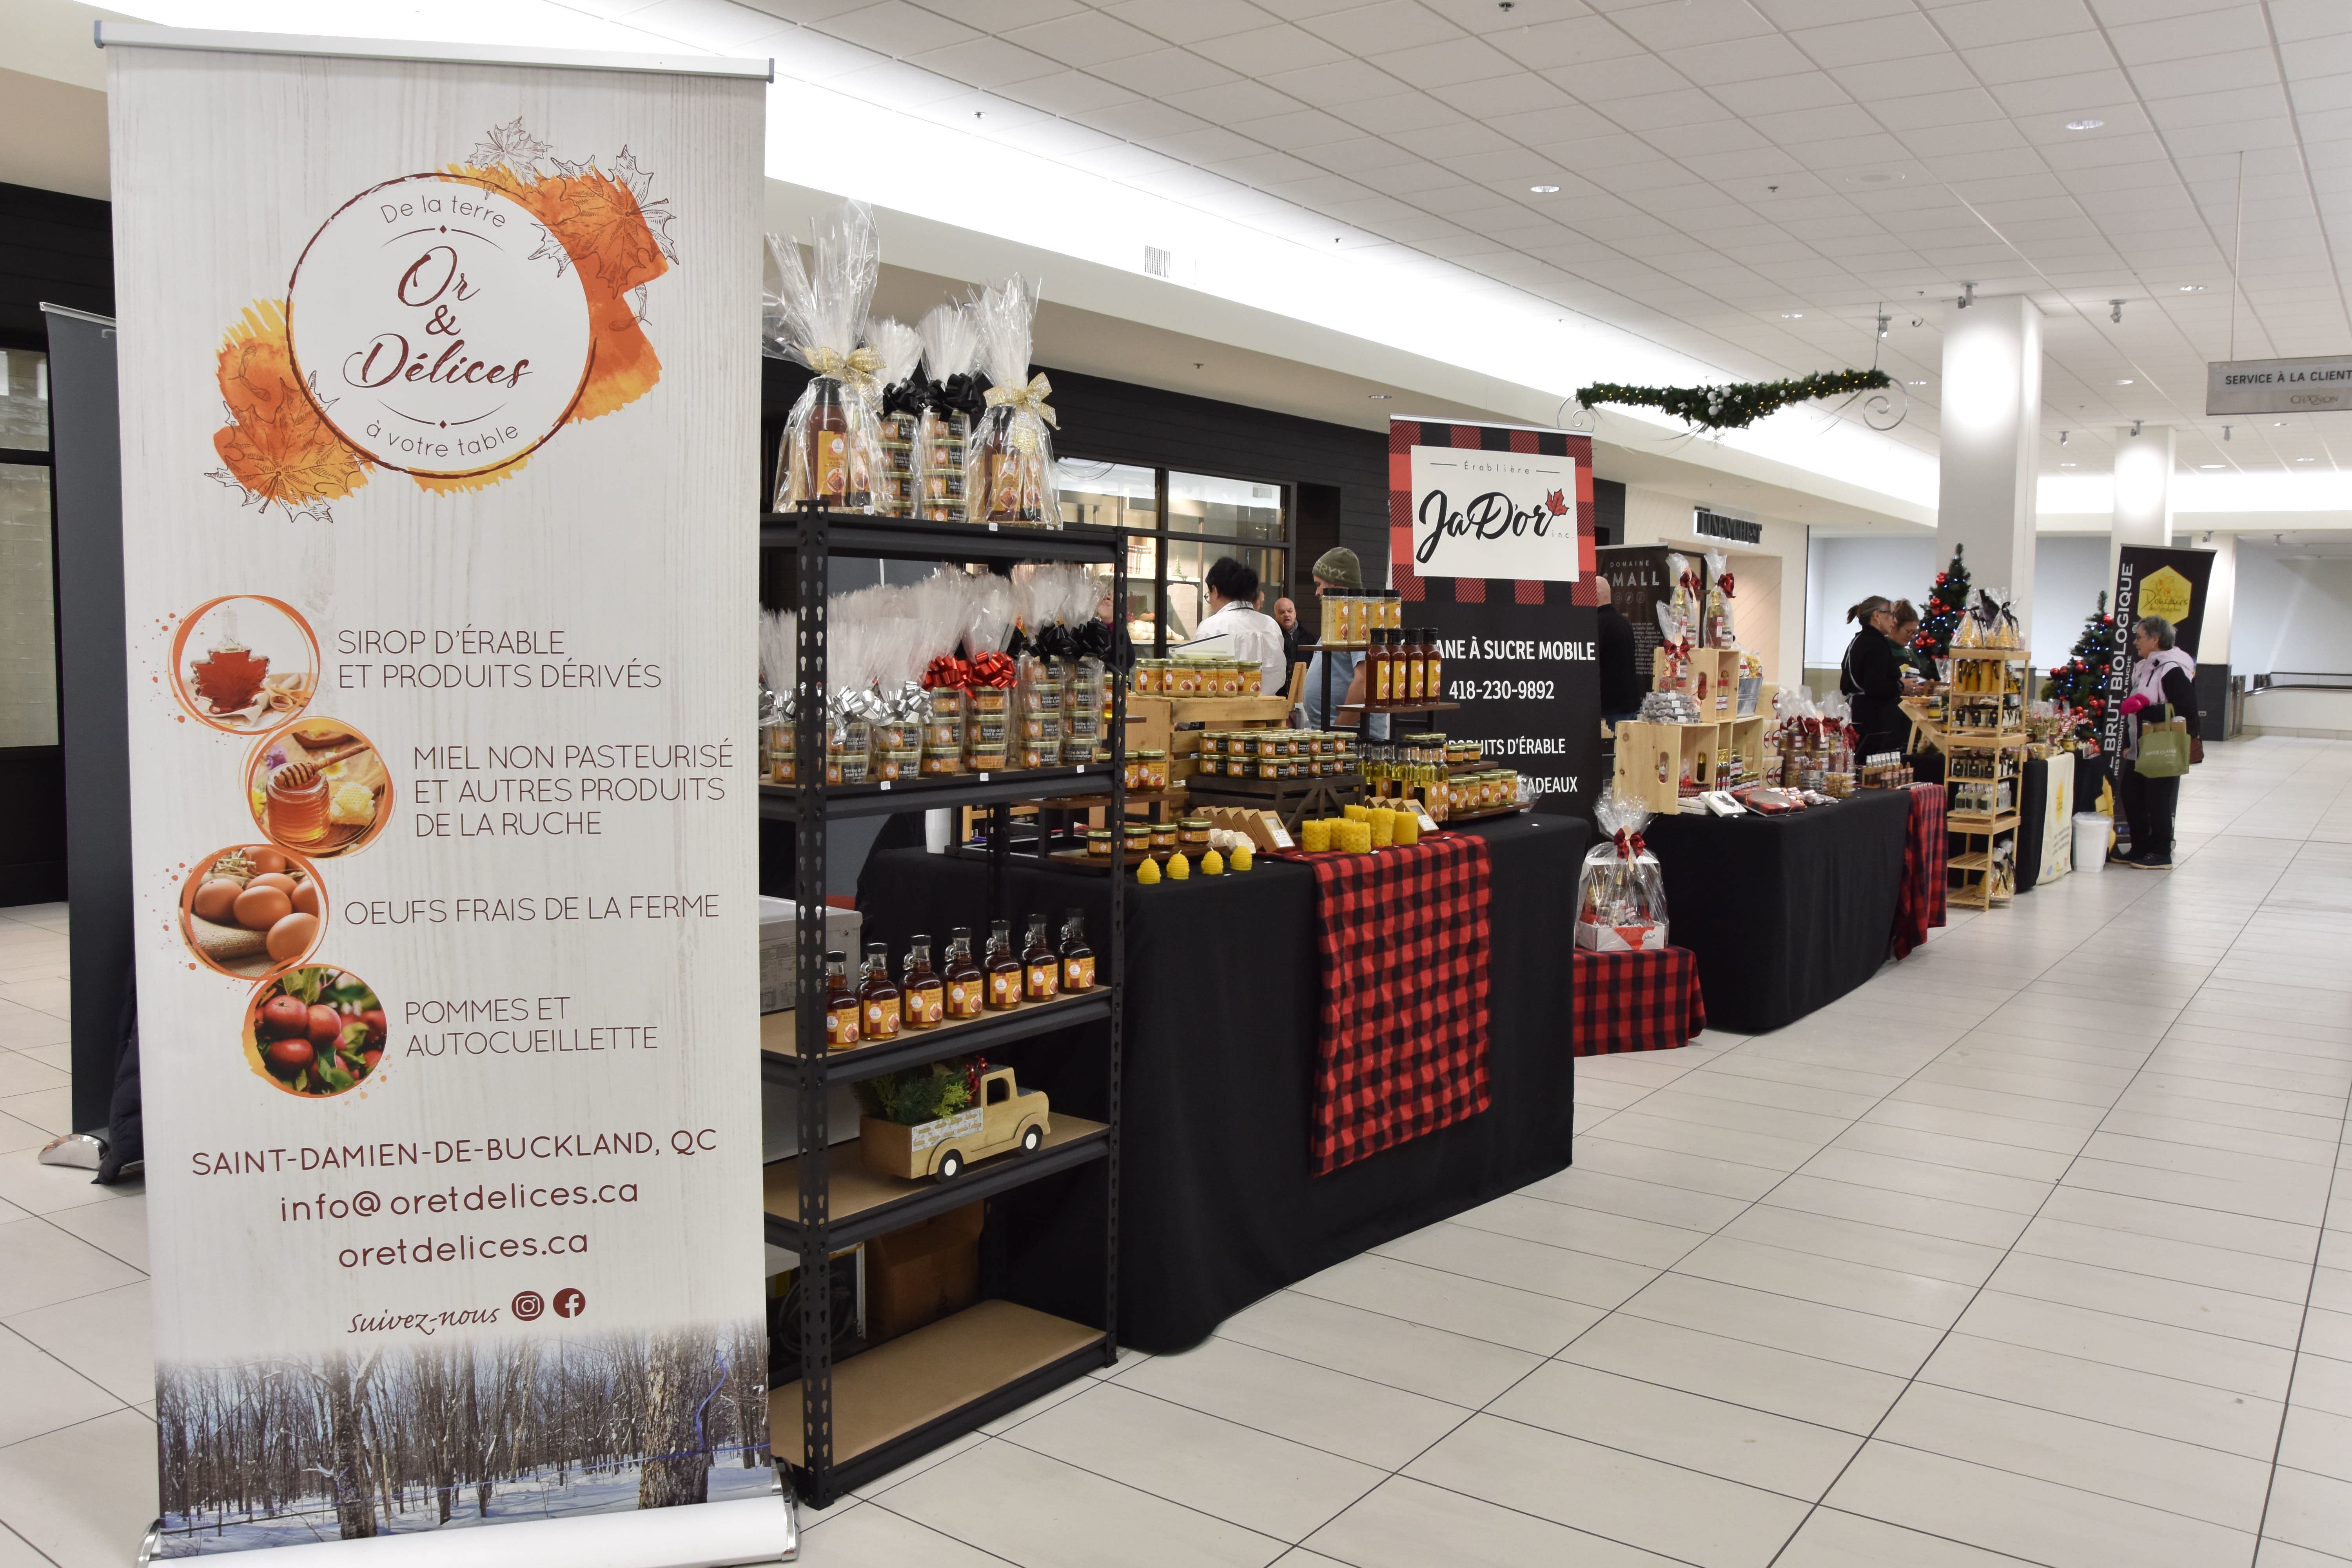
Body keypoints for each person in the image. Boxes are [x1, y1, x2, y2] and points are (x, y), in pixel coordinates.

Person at [2114, 615, 2200, 869]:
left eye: (2140, 638)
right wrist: (2129, 743)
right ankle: (2141, 847)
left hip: (2163, 745)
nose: (2135, 643)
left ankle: (2162, 851)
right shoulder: (2147, 667)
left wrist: (2145, 709)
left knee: (2158, 800)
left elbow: (2185, 709)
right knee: (2132, 795)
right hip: (2140, 747)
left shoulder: (2172, 669)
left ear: (2155, 639)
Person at [1190, 556, 1287, 693]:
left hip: (1221, 711)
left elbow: (1197, 679)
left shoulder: (1210, 627)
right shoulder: (1271, 625)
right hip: (1268, 710)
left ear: (1215, 590)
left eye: (1209, 595)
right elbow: (1279, 674)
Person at [1299, 547, 1364, 730]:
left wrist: (1340, 730)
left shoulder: (1359, 619)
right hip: (1330, 736)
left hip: (1351, 741)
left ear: (1337, 585)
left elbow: (1365, 681)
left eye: (1319, 584)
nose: (1317, 593)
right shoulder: (1341, 619)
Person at [1839, 595, 1907, 758]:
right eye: (1891, 614)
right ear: (1877, 615)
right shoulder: (1876, 644)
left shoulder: (1858, 640)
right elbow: (1875, 687)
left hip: (1859, 713)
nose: (1894, 620)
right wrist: (1901, 686)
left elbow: (1845, 685)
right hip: (1875, 721)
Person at [1596, 575, 1640, 726]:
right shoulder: (1624, 623)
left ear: (1597, 594)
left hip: (1609, 708)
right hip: (1629, 704)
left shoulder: (1596, 625)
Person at [1889, 600, 1938, 685]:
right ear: (1894, 626)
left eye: (1915, 633)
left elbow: (1917, 684)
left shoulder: (1912, 656)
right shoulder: (1881, 650)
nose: (1912, 637)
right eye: (1909, 632)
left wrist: (1926, 687)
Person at [1271, 596, 1301, 694]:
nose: (1287, 615)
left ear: (1295, 614)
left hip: (1301, 693)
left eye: (1290, 611)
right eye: (1282, 612)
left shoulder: (1309, 639)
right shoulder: (1272, 638)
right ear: (1275, 616)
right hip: (1278, 693)